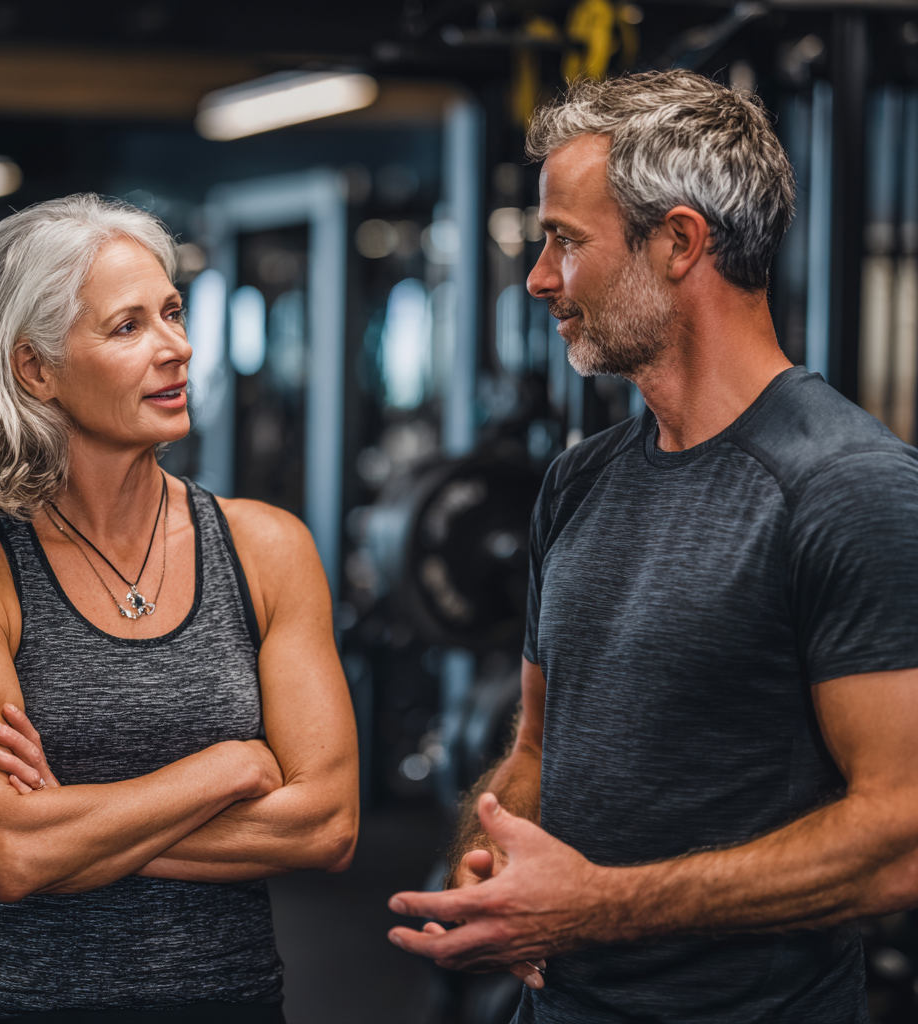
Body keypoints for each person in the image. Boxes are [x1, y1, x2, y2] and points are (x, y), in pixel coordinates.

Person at [387, 70, 918, 1023]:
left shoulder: (848, 487)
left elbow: (901, 837)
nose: (540, 277)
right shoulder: (580, 480)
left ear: (679, 241)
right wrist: (498, 855)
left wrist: (594, 910)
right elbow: (539, 748)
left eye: (565, 242)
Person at [0, 194, 359, 1024]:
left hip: (229, 1000)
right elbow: (7, 855)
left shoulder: (266, 549)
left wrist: (71, 828)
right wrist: (223, 770)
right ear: (34, 368)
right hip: (22, 1005)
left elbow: (324, 824)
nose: (177, 348)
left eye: (174, 313)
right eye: (128, 327)